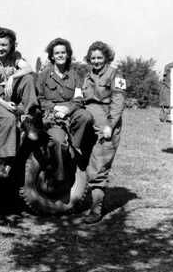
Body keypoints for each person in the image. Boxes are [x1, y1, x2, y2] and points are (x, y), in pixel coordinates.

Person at [0, 27, 40, 177]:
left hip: (9, 92)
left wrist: (13, 77)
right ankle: (2, 160)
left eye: (4, 45)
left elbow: (29, 69)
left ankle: (30, 118)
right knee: (8, 118)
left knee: (28, 79)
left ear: (11, 45)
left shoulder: (15, 56)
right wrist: (4, 104)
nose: (0, 48)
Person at [82, 41, 126, 224]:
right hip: (88, 122)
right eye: (93, 58)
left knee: (99, 166)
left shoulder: (116, 74)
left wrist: (110, 125)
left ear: (107, 58)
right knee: (87, 162)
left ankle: (96, 210)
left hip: (105, 125)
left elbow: (118, 102)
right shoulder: (87, 75)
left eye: (99, 57)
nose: (96, 61)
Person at [36, 38, 94, 176]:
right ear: (52, 56)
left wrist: (68, 109)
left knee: (86, 116)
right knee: (58, 141)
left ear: (68, 54)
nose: (60, 55)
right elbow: (39, 99)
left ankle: (74, 147)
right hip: (52, 115)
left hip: (71, 111)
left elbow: (79, 98)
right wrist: (55, 109)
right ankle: (60, 175)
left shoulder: (75, 74)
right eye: (57, 53)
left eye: (63, 52)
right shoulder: (44, 74)